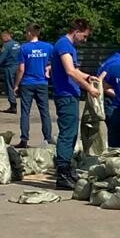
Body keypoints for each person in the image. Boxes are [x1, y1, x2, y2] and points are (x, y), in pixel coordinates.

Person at [52, 18, 100, 189]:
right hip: (65, 95)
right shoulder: (63, 45)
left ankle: (67, 168)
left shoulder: (69, 47)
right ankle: (62, 172)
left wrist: (87, 77)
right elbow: (70, 71)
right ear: (77, 31)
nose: (84, 40)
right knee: (67, 133)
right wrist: (89, 88)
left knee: (72, 133)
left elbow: (76, 70)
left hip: (71, 94)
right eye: (84, 36)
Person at [13, 23, 53, 148]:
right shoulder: (48, 47)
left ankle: (24, 139)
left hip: (27, 83)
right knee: (44, 112)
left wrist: (16, 85)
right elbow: (55, 62)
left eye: (26, 33)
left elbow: (21, 69)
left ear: (30, 33)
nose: (25, 35)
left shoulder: (24, 48)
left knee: (25, 112)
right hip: (42, 83)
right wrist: (48, 68)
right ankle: (48, 138)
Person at [0, 31, 21, 114]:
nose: (1, 40)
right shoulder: (18, 44)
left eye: (1, 38)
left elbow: (1, 58)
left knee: (9, 86)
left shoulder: (6, 45)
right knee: (18, 85)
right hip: (20, 67)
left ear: (5, 37)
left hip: (9, 67)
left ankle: (13, 106)